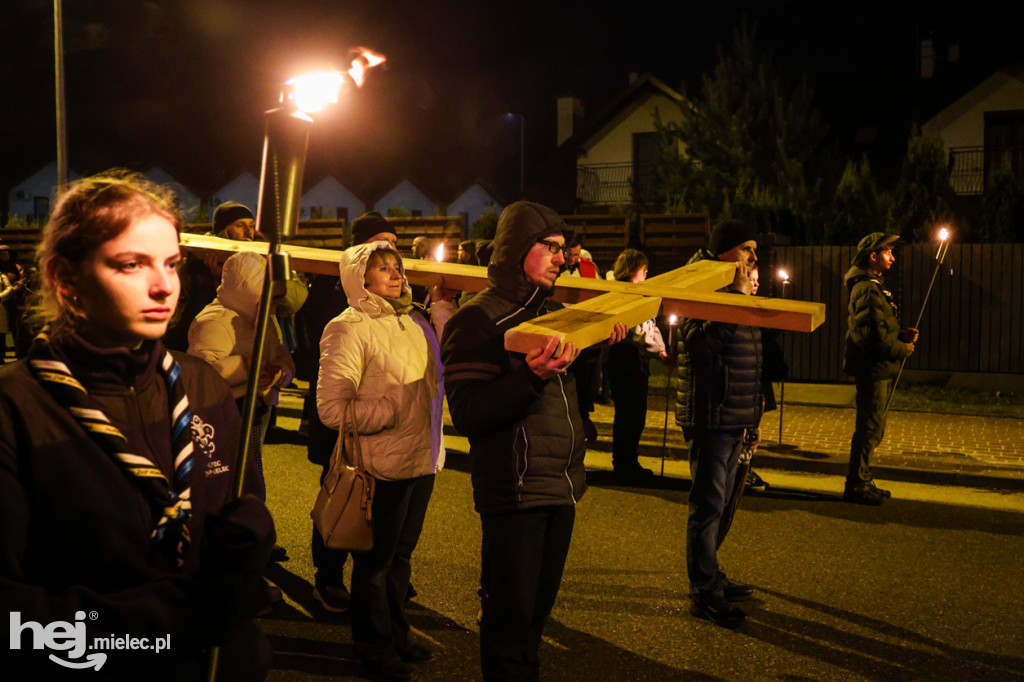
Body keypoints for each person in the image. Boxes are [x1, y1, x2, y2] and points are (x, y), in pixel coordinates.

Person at [0, 171, 274, 678]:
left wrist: (251, 535)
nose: (163, 285)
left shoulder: (202, 385)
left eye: (171, 263)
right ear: (66, 279)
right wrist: (159, 625)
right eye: (132, 264)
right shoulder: (16, 409)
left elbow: (242, 500)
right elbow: (14, 621)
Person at [441, 201, 625, 680]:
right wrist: (530, 375)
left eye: (563, 250)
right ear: (519, 247)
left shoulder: (551, 314)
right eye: (551, 248)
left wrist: (596, 343)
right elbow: (469, 414)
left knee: (536, 618)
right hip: (515, 488)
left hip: (560, 483)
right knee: (509, 620)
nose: (561, 259)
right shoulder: (476, 321)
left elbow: (563, 396)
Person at [318, 240, 444, 681]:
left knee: (400, 558)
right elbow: (333, 409)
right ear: (360, 278)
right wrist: (390, 412)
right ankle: (374, 649)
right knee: (374, 565)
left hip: (422, 458)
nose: (396, 274)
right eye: (383, 268)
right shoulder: (348, 328)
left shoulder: (415, 321)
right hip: (380, 466)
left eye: (397, 266)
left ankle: (397, 635)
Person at [303, 211, 398, 614]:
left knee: (378, 502)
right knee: (341, 491)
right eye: (379, 242)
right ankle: (328, 576)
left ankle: (378, 573)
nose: (388, 251)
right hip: (346, 412)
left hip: (385, 419)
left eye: (393, 243)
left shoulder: (398, 295)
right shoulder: (330, 290)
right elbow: (318, 346)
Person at [674, 218, 762, 629]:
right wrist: (738, 301)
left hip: (733, 413)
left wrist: (752, 417)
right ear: (724, 251)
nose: (753, 257)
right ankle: (704, 591)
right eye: (747, 248)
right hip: (711, 414)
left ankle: (712, 575)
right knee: (708, 506)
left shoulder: (734, 289)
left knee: (721, 502)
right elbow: (699, 345)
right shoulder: (700, 284)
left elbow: (747, 357)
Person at [187, 251, 295, 503]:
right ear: (250, 292)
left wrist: (278, 373)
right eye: (271, 299)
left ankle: (251, 528)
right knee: (227, 480)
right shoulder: (214, 322)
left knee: (251, 475)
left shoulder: (263, 319)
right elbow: (201, 375)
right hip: (225, 414)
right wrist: (247, 367)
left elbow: (281, 356)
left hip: (253, 410)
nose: (275, 307)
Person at [843, 232, 917, 505]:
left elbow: (880, 327)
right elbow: (871, 337)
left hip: (878, 368)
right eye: (888, 252)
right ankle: (857, 484)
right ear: (872, 256)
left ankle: (863, 478)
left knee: (874, 427)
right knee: (870, 427)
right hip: (872, 369)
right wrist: (902, 349)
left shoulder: (873, 286)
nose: (893, 257)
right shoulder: (867, 288)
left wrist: (901, 335)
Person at [606, 248, 667, 481]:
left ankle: (626, 460)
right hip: (627, 358)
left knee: (630, 414)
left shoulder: (631, 292)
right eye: (643, 269)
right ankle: (625, 463)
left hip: (629, 358)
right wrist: (659, 350)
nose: (646, 273)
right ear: (633, 270)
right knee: (630, 414)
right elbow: (641, 330)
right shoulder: (627, 294)